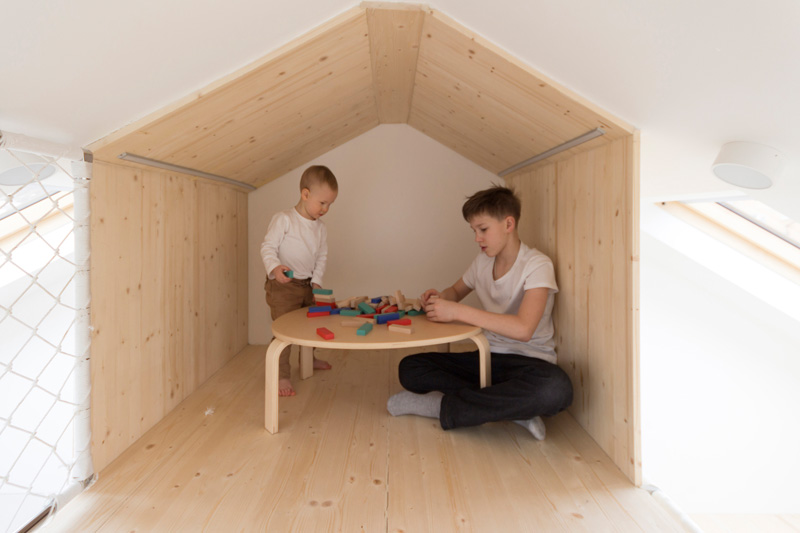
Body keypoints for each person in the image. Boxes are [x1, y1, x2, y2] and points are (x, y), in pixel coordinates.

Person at [387, 185, 573, 439]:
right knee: (411, 368)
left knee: (556, 390)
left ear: (508, 224)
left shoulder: (537, 265)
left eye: (483, 229)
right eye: (474, 230)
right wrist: (440, 298)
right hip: (487, 357)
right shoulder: (482, 262)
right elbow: (455, 290)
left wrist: (458, 312)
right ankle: (512, 409)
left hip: (530, 363)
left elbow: (523, 329)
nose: (477, 238)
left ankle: (441, 407)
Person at [261, 165, 338, 397]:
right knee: (284, 331)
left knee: (310, 326)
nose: (325, 209)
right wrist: (275, 268)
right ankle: (282, 374)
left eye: (329, 205)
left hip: (307, 286)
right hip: (284, 286)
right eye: (322, 203)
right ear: (305, 195)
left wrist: (316, 282)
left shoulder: (320, 228)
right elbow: (268, 247)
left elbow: (321, 257)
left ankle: (308, 358)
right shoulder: (284, 219)